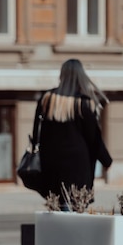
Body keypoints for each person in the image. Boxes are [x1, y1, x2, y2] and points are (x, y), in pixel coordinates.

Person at [35, 58, 112, 209]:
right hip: (78, 166)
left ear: (62, 75)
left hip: (51, 164)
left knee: (56, 207)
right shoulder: (83, 103)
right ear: (80, 76)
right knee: (75, 209)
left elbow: (37, 130)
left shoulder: (47, 99)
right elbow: (94, 138)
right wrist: (106, 161)